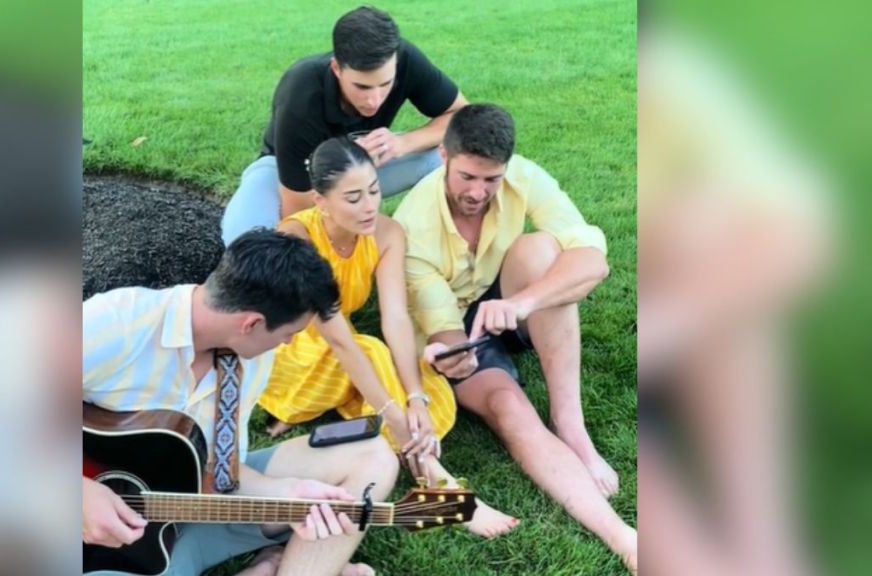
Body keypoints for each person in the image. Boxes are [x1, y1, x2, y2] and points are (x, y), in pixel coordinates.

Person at [393, 103, 638, 572]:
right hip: (456, 328)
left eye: (492, 179)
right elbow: (442, 324)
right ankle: (624, 538)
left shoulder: (522, 176)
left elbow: (593, 258)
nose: (479, 192)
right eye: (467, 177)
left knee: (544, 250)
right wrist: (454, 358)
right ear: (443, 156)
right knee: (508, 408)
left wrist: (523, 304)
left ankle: (571, 426)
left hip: (509, 302)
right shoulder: (412, 228)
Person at [82, 230, 397, 576]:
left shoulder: (248, 360)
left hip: (181, 514)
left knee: (372, 455)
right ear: (252, 323)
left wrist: (284, 492)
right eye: (288, 333)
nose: (288, 343)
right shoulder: (117, 323)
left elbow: (220, 472)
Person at [257, 137, 518, 539]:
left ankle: (395, 430)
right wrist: (393, 414)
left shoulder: (387, 232)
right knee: (370, 352)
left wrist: (412, 396)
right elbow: (338, 338)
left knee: (430, 390)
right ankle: (438, 479)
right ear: (321, 201)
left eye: (375, 191)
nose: (369, 206)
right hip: (291, 358)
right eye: (353, 197)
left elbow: (395, 317)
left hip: (339, 355)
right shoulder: (298, 238)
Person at [220, 5, 467, 246]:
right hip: (285, 172)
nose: (375, 100)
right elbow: (298, 211)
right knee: (246, 240)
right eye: (362, 87)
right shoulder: (301, 92)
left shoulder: (406, 59)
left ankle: (441, 246)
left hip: (365, 164)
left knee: (445, 158)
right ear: (336, 68)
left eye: (385, 84)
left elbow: (462, 115)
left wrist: (404, 143)